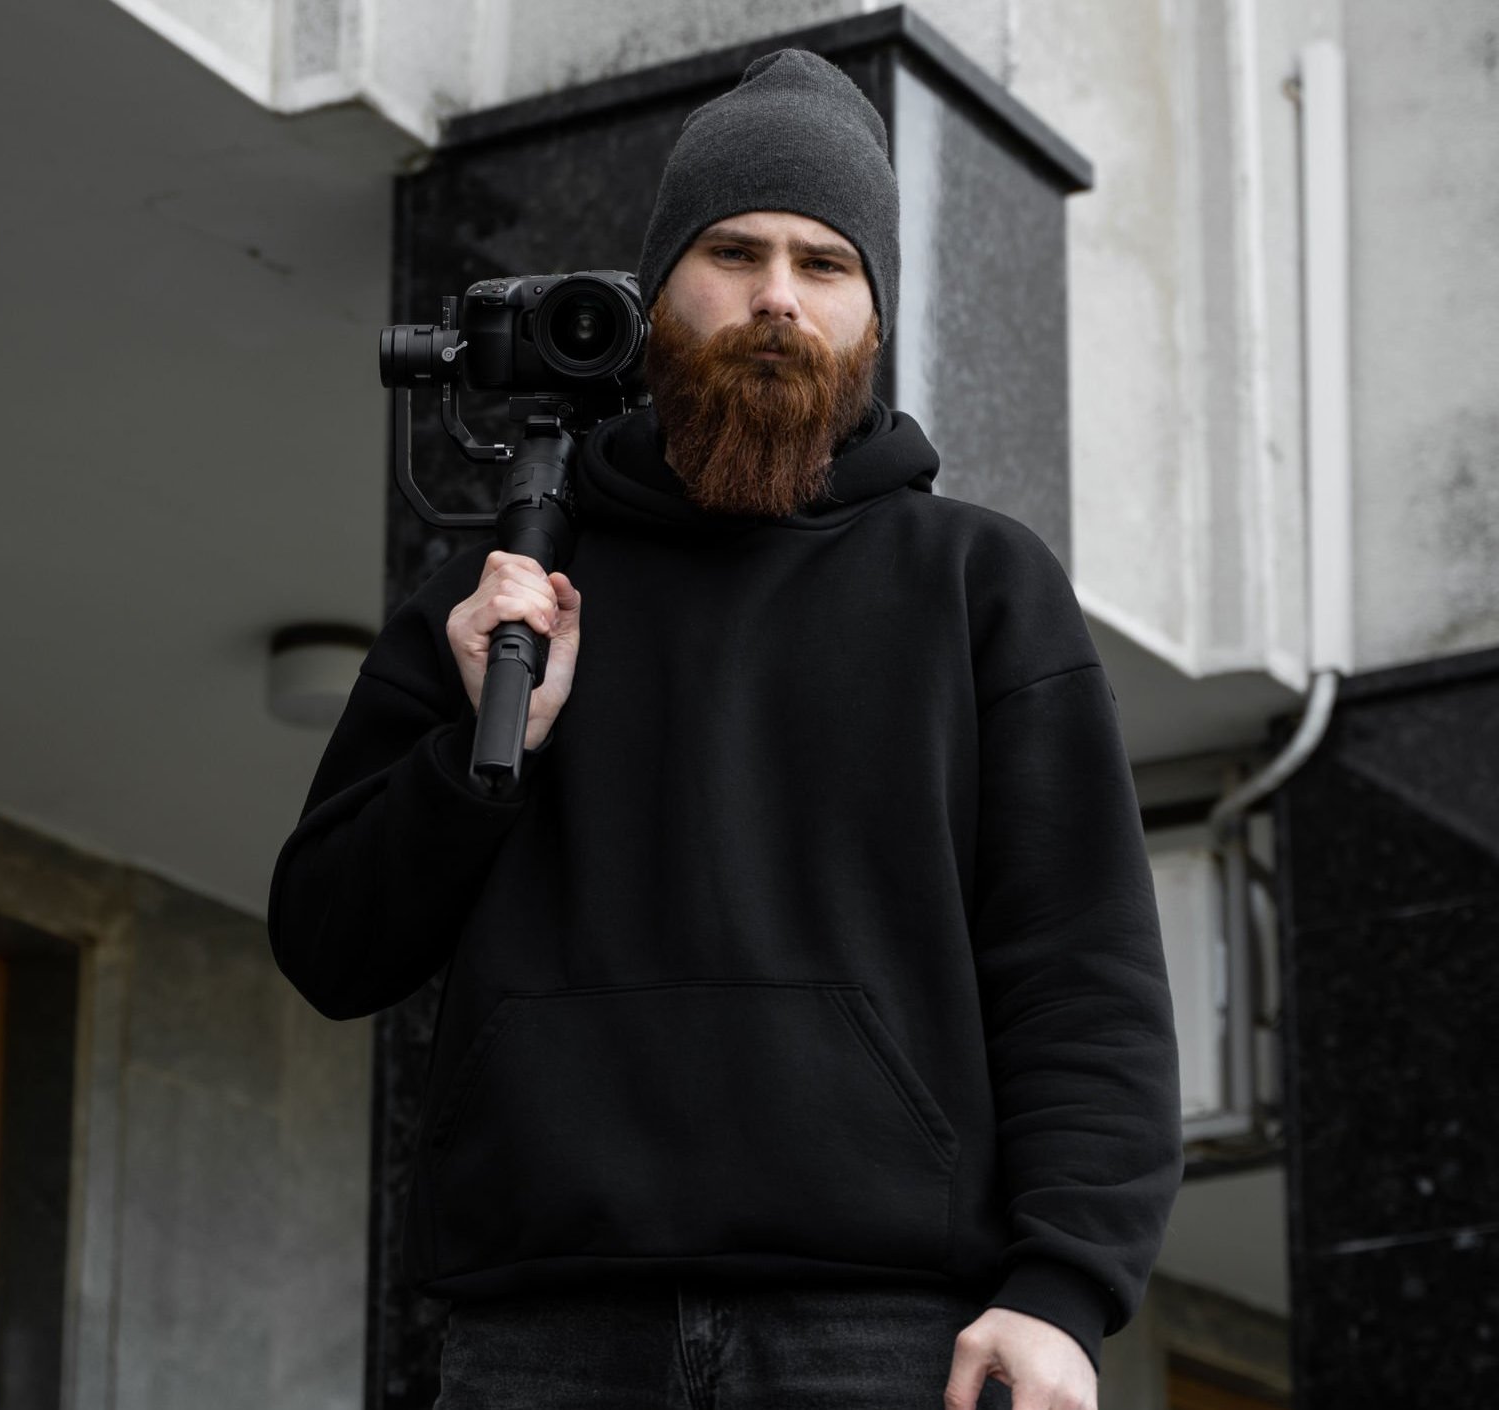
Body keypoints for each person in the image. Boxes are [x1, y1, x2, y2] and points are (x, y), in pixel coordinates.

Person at [268, 46, 1181, 1410]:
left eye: (825, 263)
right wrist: (473, 749)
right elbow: (331, 945)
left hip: (883, 1335)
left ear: (870, 317)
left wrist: (1061, 1289)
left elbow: (1083, 972)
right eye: (734, 251)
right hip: (542, 1331)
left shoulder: (979, 586)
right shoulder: (509, 590)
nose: (775, 297)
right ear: (654, 300)